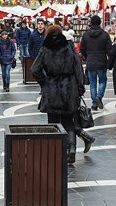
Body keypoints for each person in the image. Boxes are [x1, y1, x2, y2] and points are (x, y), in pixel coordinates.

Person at [32, 24, 90, 163]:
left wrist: (44, 82)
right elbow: (78, 69)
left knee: (53, 121)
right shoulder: (69, 48)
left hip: (52, 88)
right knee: (69, 120)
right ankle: (71, 149)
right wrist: (80, 87)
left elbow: (35, 69)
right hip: (69, 88)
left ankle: (57, 150)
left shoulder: (45, 49)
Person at [80, 15, 112, 111]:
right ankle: (99, 96)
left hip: (90, 61)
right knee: (102, 80)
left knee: (93, 84)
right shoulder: (105, 35)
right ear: (100, 23)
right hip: (102, 61)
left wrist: (87, 56)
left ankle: (94, 103)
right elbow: (109, 50)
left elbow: (82, 49)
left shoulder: (86, 35)